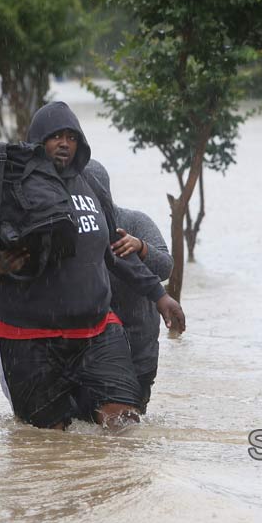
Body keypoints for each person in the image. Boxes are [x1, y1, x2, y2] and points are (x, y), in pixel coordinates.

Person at [0, 101, 186, 431]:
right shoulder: (2, 184)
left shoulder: (91, 185)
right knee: (48, 442)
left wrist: (159, 296)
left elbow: (113, 252)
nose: (64, 143)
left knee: (126, 426)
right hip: (27, 336)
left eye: (72, 137)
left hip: (96, 330)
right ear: (37, 140)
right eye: (56, 136)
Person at [84, 159, 172, 413]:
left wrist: (141, 247)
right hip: (97, 344)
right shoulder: (76, 230)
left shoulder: (134, 221)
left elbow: (166, 266)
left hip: (140, 340)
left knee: (132, 417)